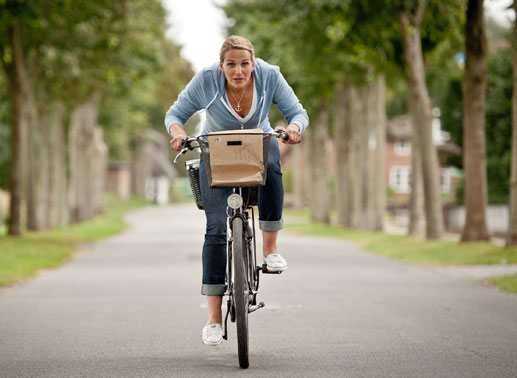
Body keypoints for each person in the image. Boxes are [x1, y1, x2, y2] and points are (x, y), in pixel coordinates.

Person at [165, 35, 309, 346]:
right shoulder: (206, 80)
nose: (239, 71)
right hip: (215, 151)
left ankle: (270, 250)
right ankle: (214, 319)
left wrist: (295, 128)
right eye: (231, 64)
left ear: (253, 64)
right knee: (215, 229)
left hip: (258, 145)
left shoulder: (270, 75)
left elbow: (298, 113)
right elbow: (174, 115)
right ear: (221, 66)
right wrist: (178, 134)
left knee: (272, 163)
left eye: (245, 64)